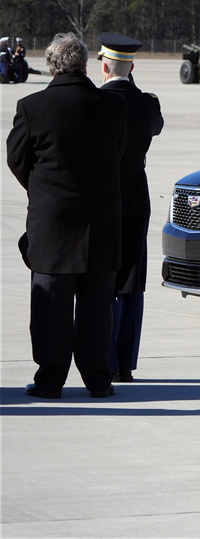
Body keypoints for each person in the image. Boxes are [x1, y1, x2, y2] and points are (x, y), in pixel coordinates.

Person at [6, 32, 126, 399]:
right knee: (97, 306)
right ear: (85, 65)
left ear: (51, 66)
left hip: (52, 221)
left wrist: (43, 189)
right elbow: (118, 154)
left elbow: (17, 159)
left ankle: (50, 380)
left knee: (51, 305)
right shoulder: (113, 106)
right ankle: (98, 380)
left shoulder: (32, 106)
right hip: (101, 219)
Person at [97, 32, 163, 382]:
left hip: (104, 196)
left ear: (104, 67)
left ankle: (105, 360)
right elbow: (156, 127)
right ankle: (125, 364)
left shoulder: (96, 102)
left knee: (103, 279)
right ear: (132, 68)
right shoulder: (147, 103)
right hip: (137, 195)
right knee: (132, 280)